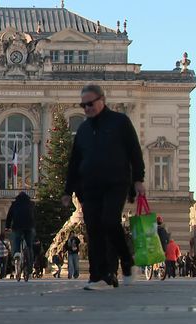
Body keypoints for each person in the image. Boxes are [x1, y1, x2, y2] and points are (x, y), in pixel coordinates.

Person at [62, 84, 145, 290]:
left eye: (90, 103)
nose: (87, 108)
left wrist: (138, 180)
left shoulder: (120, 122)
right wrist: (67, 190)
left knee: (109, 221)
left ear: (102, 100)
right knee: (93, 229)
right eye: (83, 105)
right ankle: (98, 276)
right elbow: (74, 161)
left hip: (116, 182)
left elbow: (135, 151)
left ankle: (126, 260)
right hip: (89, 187)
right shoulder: (83, 129)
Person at [5, 192, 36, 280]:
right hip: (29, 227)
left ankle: (17, 255)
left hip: (17, 226)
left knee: (16, 242)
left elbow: (9, 216)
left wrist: (7, 227)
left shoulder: (14, 204)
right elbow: (35, 216)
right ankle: (29, 265)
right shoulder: (31, 204)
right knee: (29, 246)